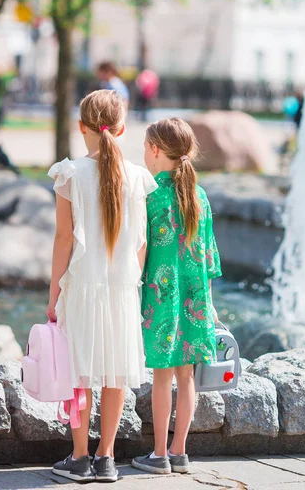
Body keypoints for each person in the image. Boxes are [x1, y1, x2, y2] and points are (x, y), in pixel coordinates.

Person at [47, 90, 157, 483]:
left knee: (79, 374)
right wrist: (133, 285)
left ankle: (79, 457)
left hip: (81, 287)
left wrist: (53, 294)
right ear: (123, 128)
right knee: (113, 374)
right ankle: (106, 459)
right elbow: (141, 242)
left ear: (81, 128)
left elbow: (64, 239)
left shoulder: (69, 173)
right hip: (122, 289)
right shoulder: (139, 177)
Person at [132, 118, 221, 476]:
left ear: (155, 150)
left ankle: (158, 455)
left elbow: (141, 251)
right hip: (196, 299)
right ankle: (180, 452)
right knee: (187, 378)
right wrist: (209, 304)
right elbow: (210, 259)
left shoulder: (150, 195)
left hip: (161, 300)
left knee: (161, 378)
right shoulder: (199, 196)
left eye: (145, 148)